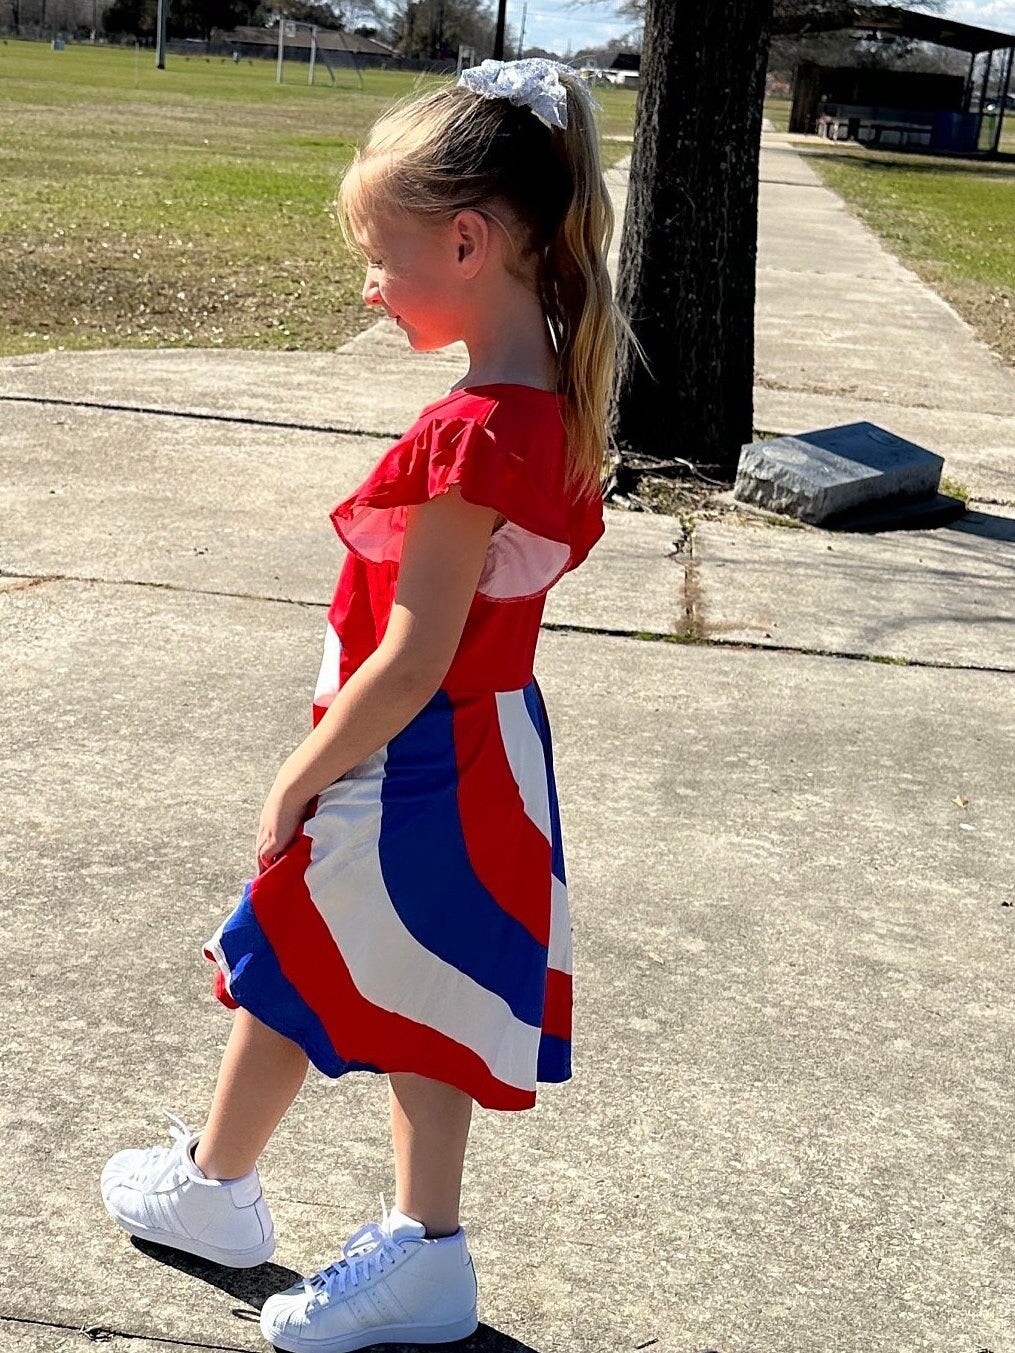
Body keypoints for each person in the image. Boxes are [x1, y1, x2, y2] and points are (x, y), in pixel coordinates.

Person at [100, 57, 619, 1353]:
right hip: (481, 749)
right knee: (340, 962)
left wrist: (301, 768)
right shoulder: (540, 390)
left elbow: (412, 653)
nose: (369, 286)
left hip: (421, 755)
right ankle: (233, 1187)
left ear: (467, 238)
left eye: (382, 258)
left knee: (357, 967)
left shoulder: (475, 436)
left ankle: (408, 1248)